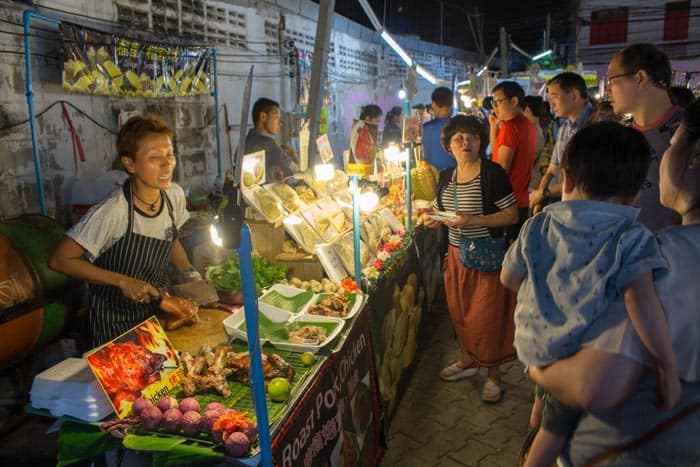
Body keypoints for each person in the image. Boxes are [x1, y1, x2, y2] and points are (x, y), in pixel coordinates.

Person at [527, 98, 700, 466]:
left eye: (671, 146)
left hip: (627, 448)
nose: (665, 157)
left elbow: (592, 385)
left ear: (694, 156)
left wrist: (535, 363)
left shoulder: (653, 261)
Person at [49, 114, 197, 348]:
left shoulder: (173, 196)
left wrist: (189, 274)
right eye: (154, 158)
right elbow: (61, 259)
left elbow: (171, 237)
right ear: (130, 164)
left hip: (156, 315)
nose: (167, 164)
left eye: (169, 155)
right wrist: (122, 281)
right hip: (115, 327)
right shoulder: (113, 211)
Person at [423, 115, 518, 402]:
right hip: (455, 256)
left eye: (472, 137)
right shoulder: (446, 176)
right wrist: (433, 218)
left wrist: (472, 219)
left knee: (487, 317)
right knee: (459, 313)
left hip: (486, 257)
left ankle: (494, 375)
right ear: (449, 145)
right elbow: (441, 209)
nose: (466, 142)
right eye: (459, 138)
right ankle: (467, 361)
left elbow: (511, 215)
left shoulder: (492, 174)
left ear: (481, 142)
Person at [606, 42, 682, 231]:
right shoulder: (621, 136)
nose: (608, 90)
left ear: (640, 78)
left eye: (612, 80)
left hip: (673, 254)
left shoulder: (687, 133)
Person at [529, 72, 593, 214]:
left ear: (574, 95)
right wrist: (540, 196)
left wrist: (544, 193)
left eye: (555, 97)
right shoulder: (564, 128)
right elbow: (552, 169)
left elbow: (586, 180)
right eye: (550, 98)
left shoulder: (596, 125)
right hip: (564, 205)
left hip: (587, 209)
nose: (551, 103)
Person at [488, 81, 536, 241]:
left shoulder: (510, 127)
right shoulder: (527, 125)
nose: (494, 107)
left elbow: (502, 167)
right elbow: (498, 151)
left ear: (514, 101)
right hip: (521, 200)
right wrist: (494, 127)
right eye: (492, 103)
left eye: (498, 102)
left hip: (506, 202)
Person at [245, 97, 298, 182]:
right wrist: (292, 154)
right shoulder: (268, 144)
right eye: (276, 117)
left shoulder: (246, 141)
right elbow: (294, 169)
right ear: (263, 117)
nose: (280, 123)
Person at [521, 96, 553, 198]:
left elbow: (526, 161)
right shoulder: (539, 129)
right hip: (531, 183)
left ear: (527, 110)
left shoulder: (532, 132)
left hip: (529, 185)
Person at [422, 87, 455, 171]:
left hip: (431, 180)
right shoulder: (459, 127)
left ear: (433, 104)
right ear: (451, 104)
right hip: (455, 179)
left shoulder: (425, 129)